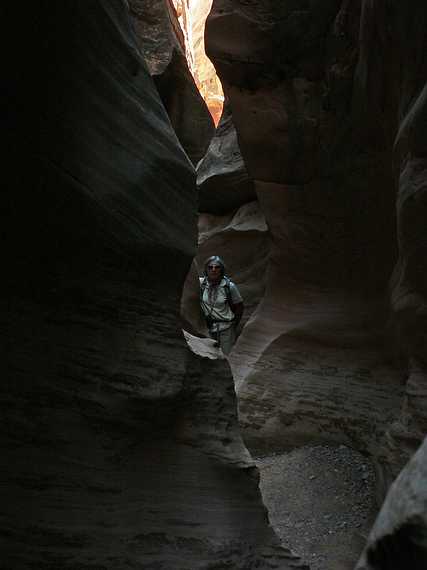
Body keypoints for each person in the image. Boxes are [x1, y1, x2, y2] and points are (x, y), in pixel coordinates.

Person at [199, 255, 244, 355]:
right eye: (210, 267)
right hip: (207, 328)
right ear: (206, 270)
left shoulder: (229, 286)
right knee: (207, 356)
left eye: (217, 267)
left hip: (226, 329)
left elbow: (239, 307)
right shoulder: (201, 284)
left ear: (221, 270)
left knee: (225, 357)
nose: (213, 270)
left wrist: (234, 324)